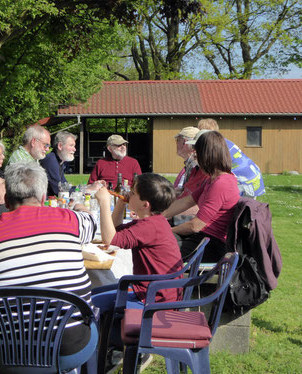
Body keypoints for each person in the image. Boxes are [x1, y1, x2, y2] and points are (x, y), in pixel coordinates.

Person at [0, 162, 97, 363]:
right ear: (42, 198)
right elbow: (91, 223)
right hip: (66, 345)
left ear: (6, 199)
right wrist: (80, 207)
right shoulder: (69, 220)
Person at [92, 173, 183, 312]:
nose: (129, 194)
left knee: (88, 304)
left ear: (145, 205)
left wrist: (104, 203)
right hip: (154, 291)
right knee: (93, 295)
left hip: (152, 298)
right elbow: (114, 229)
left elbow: (110, 239)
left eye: (133, 193)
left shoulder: (148, 227)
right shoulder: (154, 221)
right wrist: (121, 203)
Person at [164, 131, 240, 262]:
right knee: (157, 240)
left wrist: (167, 230)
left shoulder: (222, 183)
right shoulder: (211, 180)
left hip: (212, 246)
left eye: (197, 153)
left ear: (206, 155)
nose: (195, 156)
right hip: (202, 238)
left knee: (159, 248)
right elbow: (186, 202)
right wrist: (155, 216)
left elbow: (196, 225)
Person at [198, 118, 265, 197]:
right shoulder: (223, 141)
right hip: (253, 178)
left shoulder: (214, 146)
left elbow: (212, 170)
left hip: (245, 183)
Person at [172, 126, 208, 226]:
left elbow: (195, 205)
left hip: (188, 221)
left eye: (177, 140)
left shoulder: (196, 166)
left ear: (185, 142)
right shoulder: (192, 166)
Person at [40, 130, 77, 196]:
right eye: (71, 145)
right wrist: (85, 190)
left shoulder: (59, 161)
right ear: (60, 146)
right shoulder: (50, 160)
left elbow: (65, 185)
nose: (74, 149)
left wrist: (85, 188)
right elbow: (59, 190)